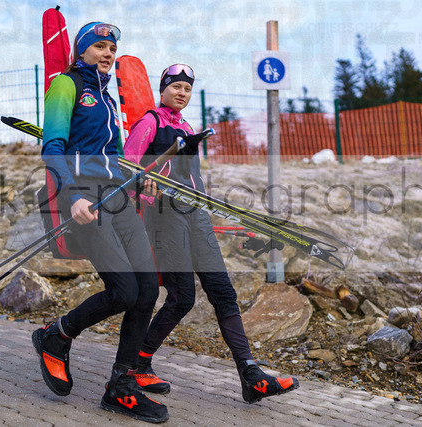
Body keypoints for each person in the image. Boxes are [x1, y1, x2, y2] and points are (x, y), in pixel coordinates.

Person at [123, 64, 300, 404]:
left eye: (187, 89)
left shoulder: (187, 127)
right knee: (182, 298)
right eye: (176, 86)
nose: (182, 93)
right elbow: (126, 168)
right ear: (162, 89)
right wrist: (144, 191)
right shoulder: (150, 123)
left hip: (196, 214)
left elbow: (189, 175)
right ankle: (137, 364)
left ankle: (251, 375)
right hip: (165, 218)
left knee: (223, 292)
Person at [31, 22, 168, 424]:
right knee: (123, 291)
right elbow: (53, 147)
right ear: (82, 51)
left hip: (118, 198)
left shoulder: (107, 98)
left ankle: (120, 386)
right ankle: (57, 334)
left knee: (147, 290)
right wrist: (72, 195)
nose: (108, 53)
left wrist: (139, 179)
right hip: (83, 198)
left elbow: (115, 158)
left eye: (112, 48)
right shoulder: (66, 85)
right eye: (100, 46)